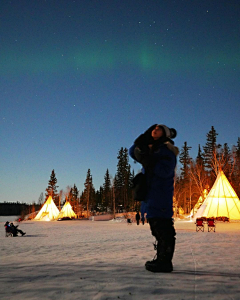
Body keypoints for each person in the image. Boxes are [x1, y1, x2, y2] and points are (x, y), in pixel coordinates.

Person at [129, 124, 178, 272]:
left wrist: (150, 162)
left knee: (164, 229)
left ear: (165, 134)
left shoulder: (166, 150)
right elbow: (133, 151)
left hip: (160, 194)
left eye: (159, 129)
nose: (154, 130)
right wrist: (143, 142)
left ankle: (165, 262)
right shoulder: (151, 148)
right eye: (153, 129)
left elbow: (165, 171)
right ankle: (162, 259)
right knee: (156, 229)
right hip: (150, 195)